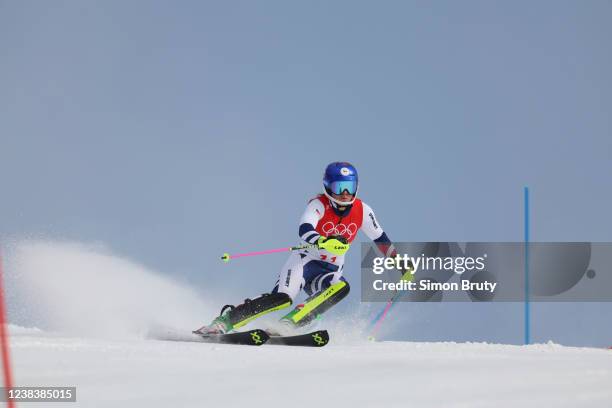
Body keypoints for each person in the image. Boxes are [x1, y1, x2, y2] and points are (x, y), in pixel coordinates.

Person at [194, 162, 404, 335]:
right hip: (304, 262)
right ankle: (225, 322)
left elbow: (380, 239)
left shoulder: (363, 211)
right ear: (328, 187)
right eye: (339, 188)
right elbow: (304, 227)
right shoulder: (318, 204)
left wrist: (401, 263)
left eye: (349, 187)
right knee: (282, 298)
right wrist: (322, 240)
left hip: (330, 270)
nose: (345, 194)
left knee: (341, 287)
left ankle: (288, 324)